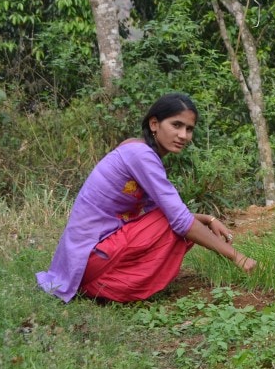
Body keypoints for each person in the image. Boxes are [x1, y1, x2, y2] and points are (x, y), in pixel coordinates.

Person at [37, 93, 257, 303]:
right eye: (176, 125)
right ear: (154, 124)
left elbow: (162, 212)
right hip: (90, 258)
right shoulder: (141, 155)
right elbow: (178, 220)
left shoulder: (137, 149)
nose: (183, 135)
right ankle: (106, 285)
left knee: (173, 220)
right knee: (176, 224)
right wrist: (237, 257)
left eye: (189, 129)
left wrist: (207, 219)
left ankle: (101, 285)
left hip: (82, 261)